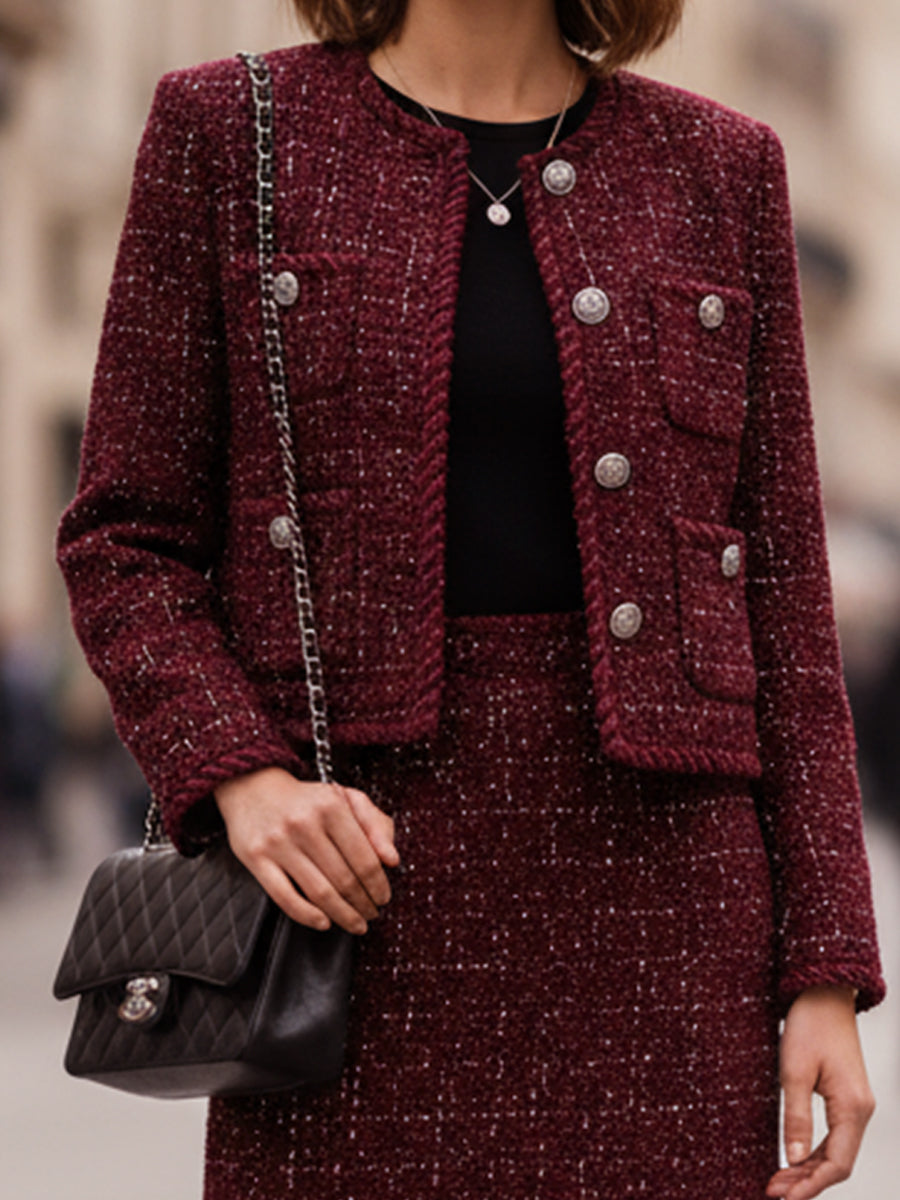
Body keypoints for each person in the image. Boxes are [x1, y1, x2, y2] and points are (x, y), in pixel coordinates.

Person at [56, 1, 885, 1198]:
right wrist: (242, 778)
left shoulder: (723, 165)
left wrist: (825, 971)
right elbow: (124, 537)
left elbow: (790, 612)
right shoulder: (229, 132)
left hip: (665, 925)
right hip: (349, 906)